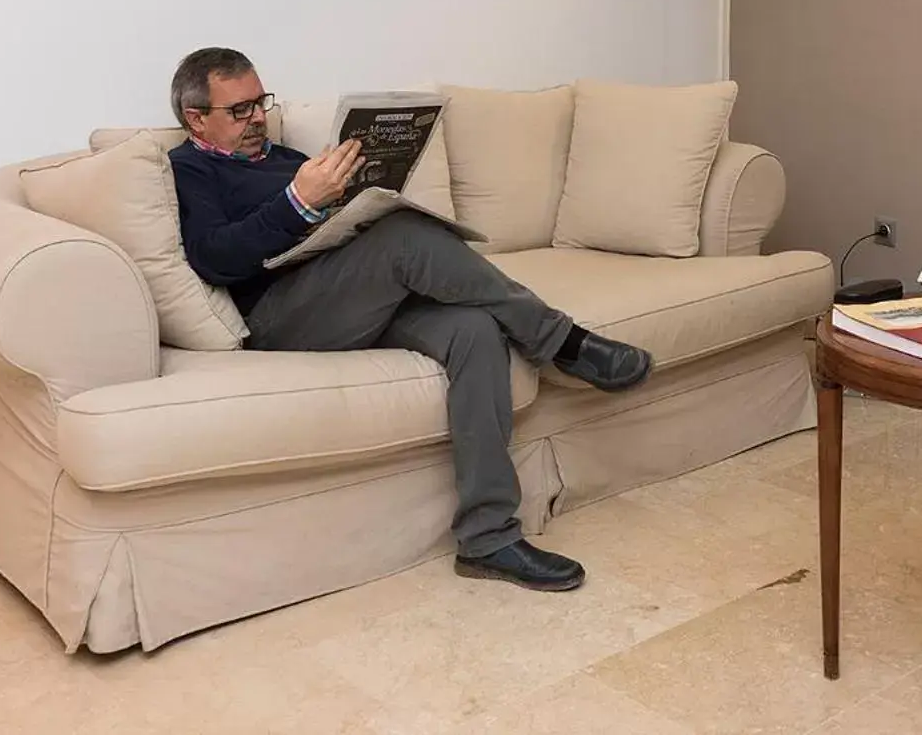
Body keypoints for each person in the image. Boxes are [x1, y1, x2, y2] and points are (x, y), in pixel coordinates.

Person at [165, 47, 652, 592]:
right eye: (239, 110)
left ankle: (489, 537)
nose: (257, 117)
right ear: (196, 118)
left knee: (475, 330)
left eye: (260, 102)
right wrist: (297, 202)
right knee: (405, 239)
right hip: (284, 318)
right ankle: (562, 341)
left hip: (354, 299)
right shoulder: (189, 171)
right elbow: (215, 257)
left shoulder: (288, 156)